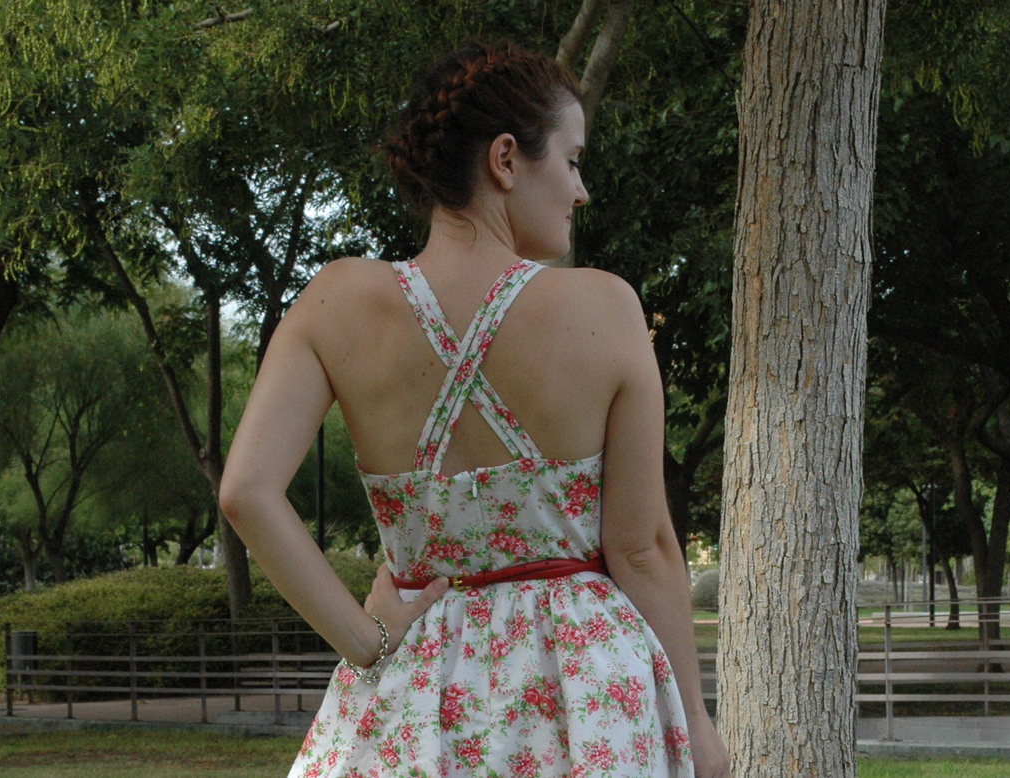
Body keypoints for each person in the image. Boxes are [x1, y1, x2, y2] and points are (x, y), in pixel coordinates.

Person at [219, 39, 730, 778]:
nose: (581, 191)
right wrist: (699, 730)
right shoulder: (605, 308)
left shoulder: (333, 303)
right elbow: (642, 545)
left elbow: (245, 492)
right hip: (583, 698)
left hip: (416, 696)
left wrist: (368, 643)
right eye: (573, 160)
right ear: (505, 159)